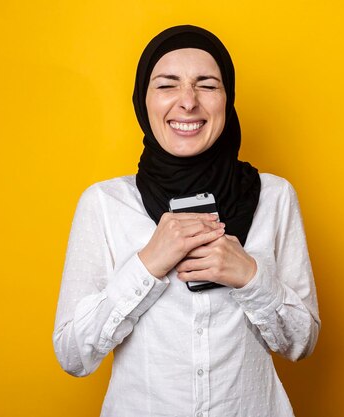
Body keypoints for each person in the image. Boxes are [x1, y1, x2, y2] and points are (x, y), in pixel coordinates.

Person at [53, 25, 320, 417]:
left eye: (207, 85)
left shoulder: (275, 196)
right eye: (167, 85)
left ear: (227, 100)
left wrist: (250, 276)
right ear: (143, 101)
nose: (188, 102)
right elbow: (73, 354)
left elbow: (303, 342)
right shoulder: (105, 203)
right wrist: (147, 265)